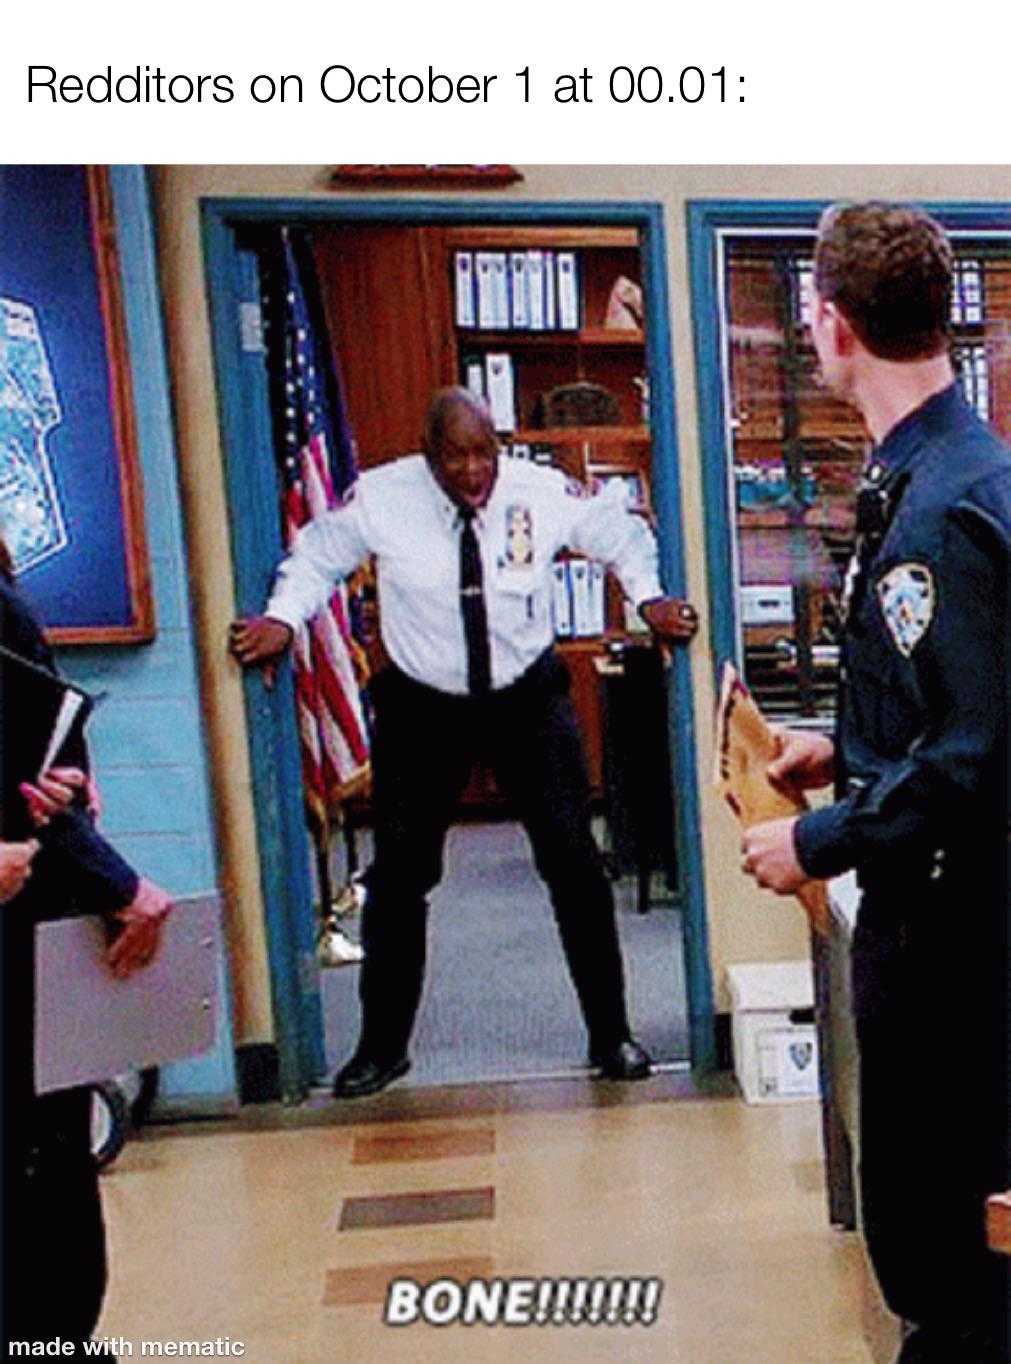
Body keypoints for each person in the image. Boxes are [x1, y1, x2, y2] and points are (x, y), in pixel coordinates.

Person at [231, 387, 698, 1098]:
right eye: (457, 457)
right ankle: (381, 1049)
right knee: (399, 883)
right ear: (430, 456)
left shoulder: (537, 488)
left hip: (525, 700)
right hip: (424, 707)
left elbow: (618, 534)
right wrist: (283, 619)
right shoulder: (384, 497)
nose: (474, 470)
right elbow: (317, 556)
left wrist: (647, 598)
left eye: (484, 453)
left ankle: (612, 1035)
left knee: (575, 867)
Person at [741, 203, 1011, 1362]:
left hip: (956, 941)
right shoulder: (939, 470)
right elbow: (946, 701)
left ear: (832, 326)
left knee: (946, 1258)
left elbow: (979, 749)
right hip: (955, 919)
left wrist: (823, 836)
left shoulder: (942, 510)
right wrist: (838, 753)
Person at [1, 536, 174, 1349]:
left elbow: (25, 769)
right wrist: (114, 884)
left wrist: (65, 784)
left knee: (50, 1174)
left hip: (31, 901)